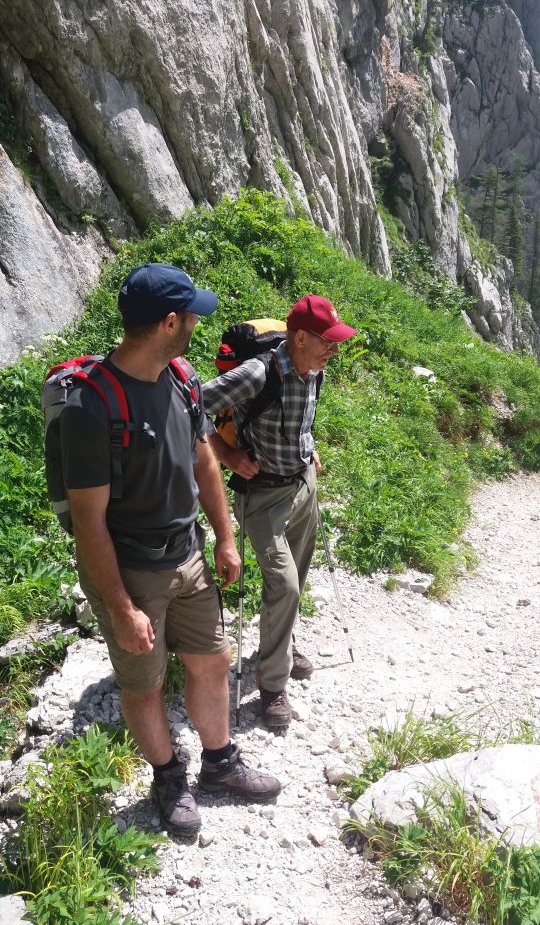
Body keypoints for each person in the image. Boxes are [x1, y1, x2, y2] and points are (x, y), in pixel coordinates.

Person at [60, 262, 281, 837]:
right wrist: (119, 607)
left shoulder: (181, 379)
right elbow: (89, 524)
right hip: (132, 572)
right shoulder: (92, 408)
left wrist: (226, 538)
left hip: (189, 556)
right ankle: (168, 778)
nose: (195, 326)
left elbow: (205, 461)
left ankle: (220, 765)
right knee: (145, 683)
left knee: (212, 660)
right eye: (190, 316)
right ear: (166, 321)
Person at [202, 295, 357, 729]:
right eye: (328, 342)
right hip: (262, 495)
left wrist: (310, 449)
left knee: (297, 579)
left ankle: (280, 645)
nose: (334, 350)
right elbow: (189, 407)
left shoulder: (314, 370)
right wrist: (227, 455)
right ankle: (272, 686)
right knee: (285, 586)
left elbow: (299, 420)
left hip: (302, 486)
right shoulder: (257, 372)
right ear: (301, 337)